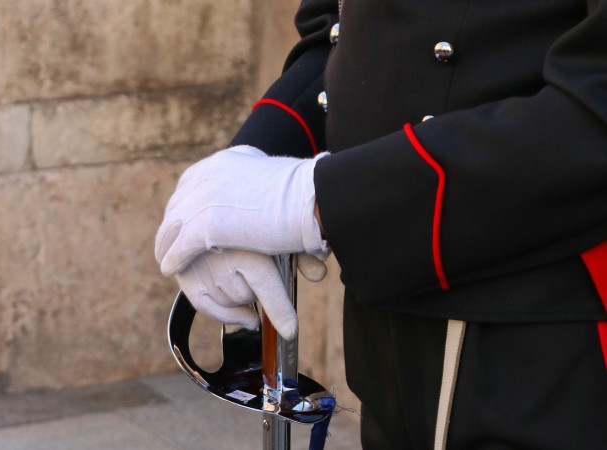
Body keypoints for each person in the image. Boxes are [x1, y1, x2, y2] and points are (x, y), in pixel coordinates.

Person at [155, 0, 607, 448]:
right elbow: (341, 29)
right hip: (385, 300)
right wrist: (248, 168)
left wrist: (316, 200)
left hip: (538, 319)